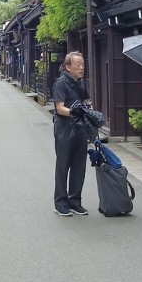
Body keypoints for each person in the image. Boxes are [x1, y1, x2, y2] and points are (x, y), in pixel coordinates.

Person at [51, 51, 93, 216]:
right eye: (78, 65)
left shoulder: (80, 83)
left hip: (80, 128)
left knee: (79, 165)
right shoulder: (61, 83)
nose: (82, 67)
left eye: (83, 64)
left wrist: (89, 111)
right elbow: (59, 108)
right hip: (64, 128)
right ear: (68, 67)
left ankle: (75, 201)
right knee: (63, 165)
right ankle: (60, 202)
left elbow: (87, 101)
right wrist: (76, 113)